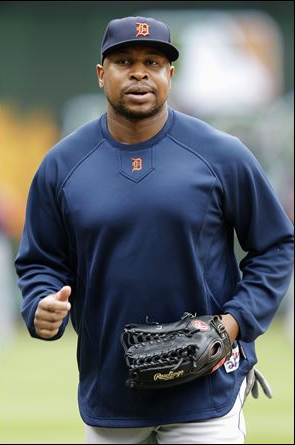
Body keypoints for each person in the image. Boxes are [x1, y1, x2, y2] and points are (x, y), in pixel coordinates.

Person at [15, 16, 294, 444]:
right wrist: (40, 303)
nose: (140, 72)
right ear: (101, 74)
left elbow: (276, 245)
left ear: (171, 74)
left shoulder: (222, 155)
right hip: (111, 389)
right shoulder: (62, 165)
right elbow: (41, 261)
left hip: (208, 388)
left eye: (153, 61)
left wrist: (237, 321)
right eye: (124, 61)